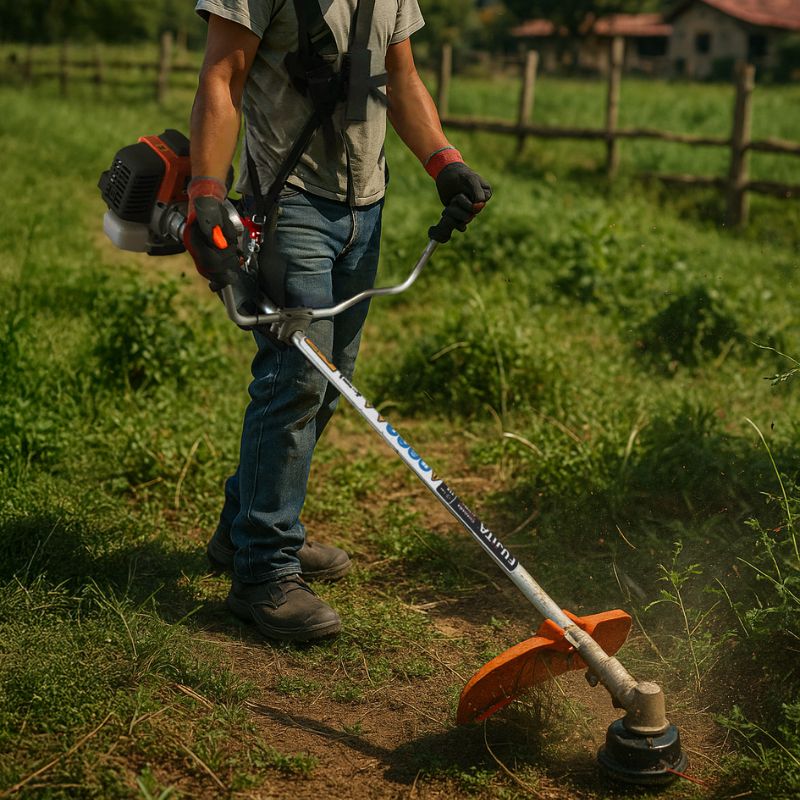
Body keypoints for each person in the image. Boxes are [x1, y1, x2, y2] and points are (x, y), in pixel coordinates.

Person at [184, 0, 491, 643]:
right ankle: (264, 571)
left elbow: (401, 78)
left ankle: (246, 526)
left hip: (365, 209)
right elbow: (223, 77)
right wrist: (206, 192)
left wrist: (444, 160)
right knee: (296, 380)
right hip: (288, 202)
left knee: (329, 382)